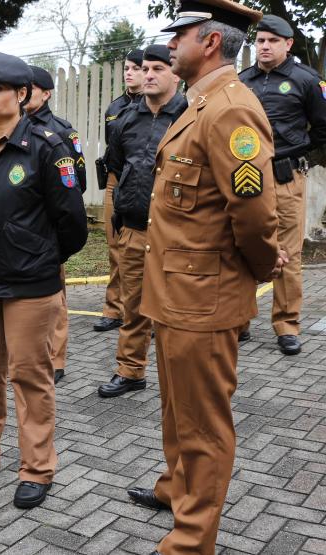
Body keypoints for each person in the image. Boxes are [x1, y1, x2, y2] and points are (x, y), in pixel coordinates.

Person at [126, 2, 286, 553]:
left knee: (203, 425)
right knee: (177, 410)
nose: (171, 44)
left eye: (182, 34)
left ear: (211, 41)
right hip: (175, 292)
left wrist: (261, 268)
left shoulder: (231, 110)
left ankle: (192, 541)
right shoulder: (202, 103)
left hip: (203, 295)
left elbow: (255, 211)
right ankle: (176, 490)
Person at [0, 52, 88, 509]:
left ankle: (37, 468)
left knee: (30, 378)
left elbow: (72, 224)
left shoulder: (48, 146)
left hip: (30, 286)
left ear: (21, 95)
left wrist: (42, 259)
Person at [239, 14, 326, 356]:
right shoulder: (242, 80)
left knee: (288, 253)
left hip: (285, 176)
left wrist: (287, 152)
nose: (264, 47)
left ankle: (286, 325)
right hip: (244, 178)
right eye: (260, 41)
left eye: (272, 41)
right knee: (241, 247)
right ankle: (240, 321)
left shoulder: (306, 80)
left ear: (288, 44)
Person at [97, 45, 187, 399]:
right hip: (134, 228)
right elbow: (118, 169)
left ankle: (180, 376)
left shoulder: (190, 118)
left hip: (175, 231)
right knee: (133, 307)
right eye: (144, 68)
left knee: (176, 309)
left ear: (175, 74)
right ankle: (131, 370)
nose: (148, 74)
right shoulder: (124, 122)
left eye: (157, 69)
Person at [24, 65, 87, 385]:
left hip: (46, 230)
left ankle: (55, 359)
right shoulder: (10, 126)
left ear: (46, 93)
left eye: (31, 88)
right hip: (18, 233)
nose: (24, 92)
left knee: (54, 301)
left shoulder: (62, 131)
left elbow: (77, 186)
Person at [94, 49, 144, 333]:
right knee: (115, 246)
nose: (130, 72)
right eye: (127, 68)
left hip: (144, 181)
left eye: (136, 68)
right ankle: (113, 309)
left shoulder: (157, 106)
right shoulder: (113, 108)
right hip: (116, 180)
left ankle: (143, 311)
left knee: (145, 249)